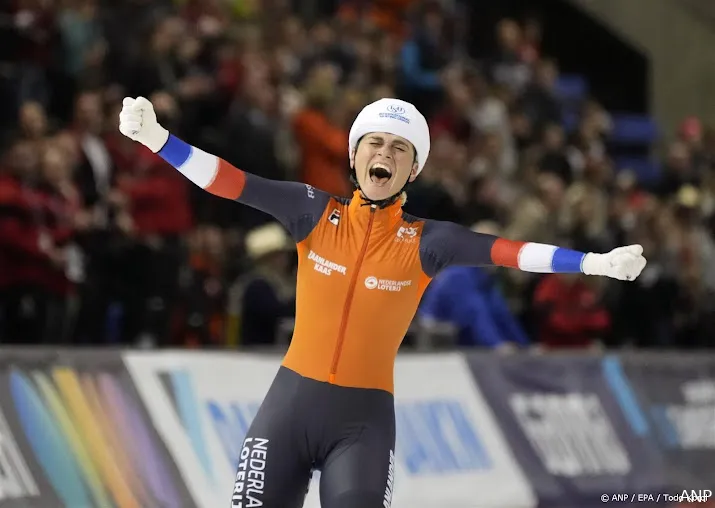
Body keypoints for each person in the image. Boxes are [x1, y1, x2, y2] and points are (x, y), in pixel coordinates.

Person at [118, 95, 646, 508]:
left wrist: (592, 263)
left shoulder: (428, 241)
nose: (384, 155)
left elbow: (510, 252)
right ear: (353, 154)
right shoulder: (311, 211)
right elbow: (230, 182)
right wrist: (160, 140)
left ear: (412, 170)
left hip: (361, 425)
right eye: (374, 143)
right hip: (288, 410)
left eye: (400, 148)